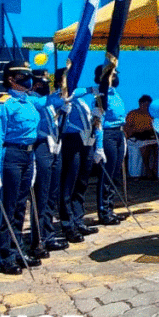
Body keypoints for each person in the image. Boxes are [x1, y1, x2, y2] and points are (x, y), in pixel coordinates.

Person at [0, 60, 50, 274]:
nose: (28, 79)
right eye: (22, 76)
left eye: (28, 75)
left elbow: (52, 101)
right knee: (9, 207)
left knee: (21, 206)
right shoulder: (4, 104)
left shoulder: (29, 101)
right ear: (11, 79)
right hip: (10, 155)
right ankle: (5, 255)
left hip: (28, 155)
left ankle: (18, 250)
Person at [58, 68, 103, 244]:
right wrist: (91, 89)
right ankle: (67, 224)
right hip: (71, 141)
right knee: (69, 183)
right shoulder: (62, 97)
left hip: (85, 142)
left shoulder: (80, 101)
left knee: (82, 183)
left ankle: (78, 220)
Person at [28, 70, 69, 256]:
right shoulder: (32, 100)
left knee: (52, 195)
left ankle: (49, 235)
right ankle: (38, 240)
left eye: (45, 83)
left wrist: (62, 112)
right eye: (39, 83)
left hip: (54, 147)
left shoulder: (48, 101)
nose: (43, 86)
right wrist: (62, 100)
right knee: (41, 196)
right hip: (41, 147)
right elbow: (48, 102)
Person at [92, 65, 126, 226]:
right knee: (106, 175)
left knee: (114, 174)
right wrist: (99, 146)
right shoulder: (101, 95)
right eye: (113, 74)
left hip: (119, 134)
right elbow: (98, 122)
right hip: (107, 135)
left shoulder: (115, 93)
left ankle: (110, 208)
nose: (116, 77)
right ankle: (103, 211)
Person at [124, 95, 158, 180]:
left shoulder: (152, 115)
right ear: (140, 104)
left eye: (148, 106)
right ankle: (147, 170)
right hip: (137, 138)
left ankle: (155, 169)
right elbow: (127, 129)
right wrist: (140, 130)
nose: (146, 108)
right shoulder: (133, 114)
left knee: (158, 148)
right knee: (144, 147)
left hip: (150, 137)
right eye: (145, 105)